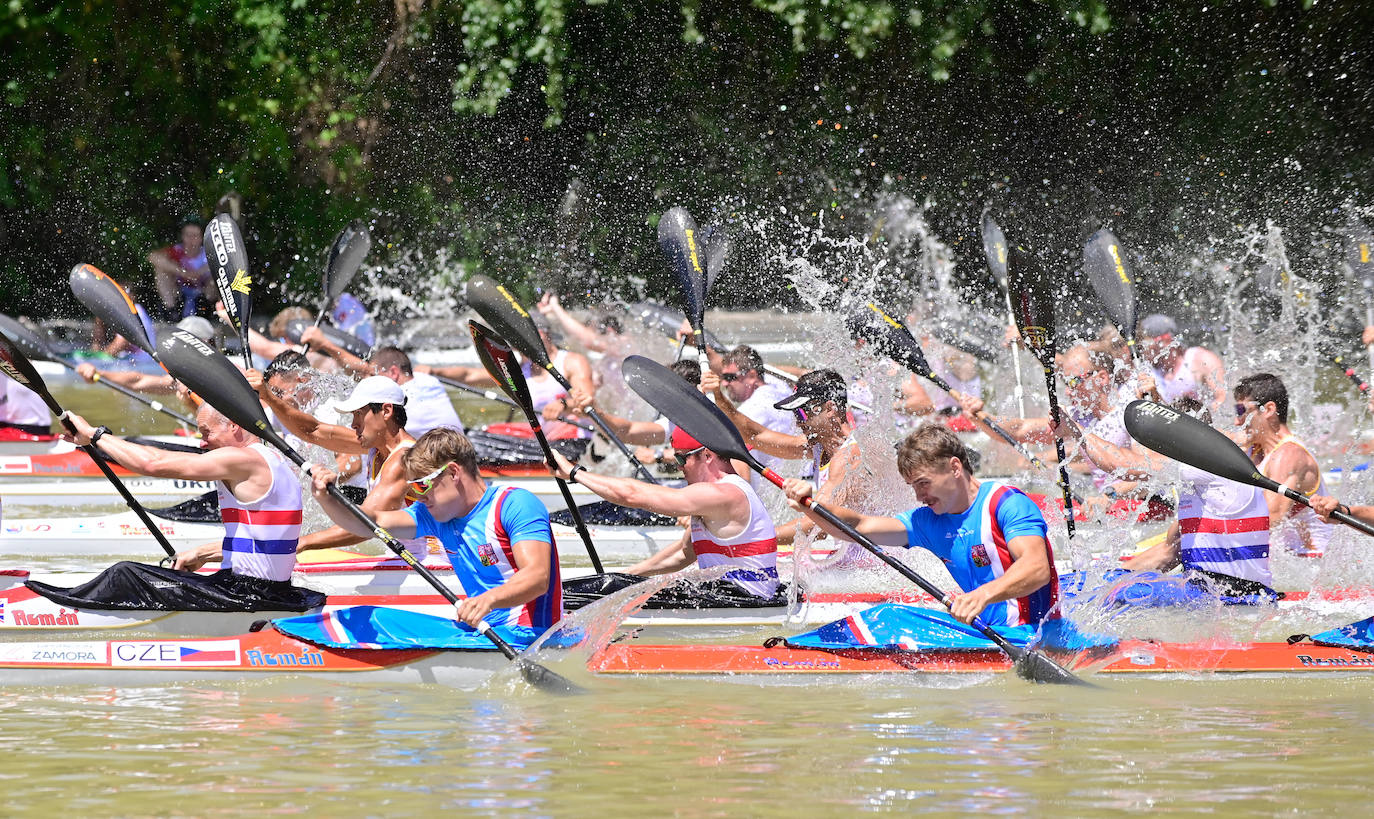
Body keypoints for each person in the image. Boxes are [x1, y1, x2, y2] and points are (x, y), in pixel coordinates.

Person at [42, 404, 322, 611]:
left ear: (234, 426)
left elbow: (152, 464)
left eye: (206, 432)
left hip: (245, 594)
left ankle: (53, 608)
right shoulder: (274, 458)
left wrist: (95, 434)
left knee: (126, 574)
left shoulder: (243, 460)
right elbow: (263, 543)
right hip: (271, 590)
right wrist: (202, 552)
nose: (201, 442)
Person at [784, 424, 1058, 626]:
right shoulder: (928, 521)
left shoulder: (1006, 503)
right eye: (912, 486)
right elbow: (860, 525)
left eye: (923, 483)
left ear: (954, 467)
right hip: (986, 631)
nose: (918, 496)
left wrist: (982, 596)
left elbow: (1037, 568)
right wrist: (812, 506)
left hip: (1035, 634)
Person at [309, 427, 562, 629]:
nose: (417, 496)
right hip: (481, 630)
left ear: (453, 472)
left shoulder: (514, 504)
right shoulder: (435, 515)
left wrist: (489, 600)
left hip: (530, 635)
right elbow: (369, 523)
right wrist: (326, 498)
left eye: (421, 486)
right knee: (376, 618)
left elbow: (537, 578)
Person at [1057, 399, 1278, 600]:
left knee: (1103, 596)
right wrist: (1109, 578)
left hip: (1235, 595)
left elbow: (1120, 464)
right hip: (1209, 590)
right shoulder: (1200, 487)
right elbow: (1167, 553)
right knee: (1077, 585)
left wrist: (1074, 429)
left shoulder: (1206, 463)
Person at [549, 426, 783, 602]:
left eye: (682, 458)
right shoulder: (712, 499)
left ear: (708, 455)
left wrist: (574, 473)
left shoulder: (724, 493)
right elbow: (683, 554)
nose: (678, 466)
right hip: (729, 594)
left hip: (747, 599)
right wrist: (628, 575)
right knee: (616, 585)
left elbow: (632, 494)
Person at [256, 374, 424, 556]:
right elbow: (313, 430)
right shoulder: (376, 445)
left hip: (429, 564)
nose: (353, 424)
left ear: (386, 411)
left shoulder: (403, 459)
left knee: (305, 558)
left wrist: (302, 543)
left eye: (359, 414)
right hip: (398, 560)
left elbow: (366, 525)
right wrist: (267, 396)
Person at [1235, 373, 1333, 557]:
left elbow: (1271, 517)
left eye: (1241, 411)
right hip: (1281, 559)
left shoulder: (1290, 455)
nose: (1237, 421)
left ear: (1268, 409)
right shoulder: (1255, 449)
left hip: (1309, 564)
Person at [76, 316, 217, 395]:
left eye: (184, 346)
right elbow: (138, 381)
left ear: (206, 344)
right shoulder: (185, 378)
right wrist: (100, 374)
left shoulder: (221, 375)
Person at [1138, 314, 1228, 414]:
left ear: (1165, 341)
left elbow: (1222, 398)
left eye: (1145, 345)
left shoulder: (1199, 358)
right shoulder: (1148, 372)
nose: (1142, 351)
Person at [148, 215, 211, 320]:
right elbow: (153, 257)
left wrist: (199, 273)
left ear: (201, 238)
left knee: (216, 276)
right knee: (160, 272)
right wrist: (183, 272)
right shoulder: (177, 251)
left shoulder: (207, 253)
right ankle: (172, 310)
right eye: (188, 235)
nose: (191, 240)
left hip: (203, 292)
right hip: (179, 292)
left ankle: (207, 309)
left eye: (195, 236)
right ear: (182, 237)